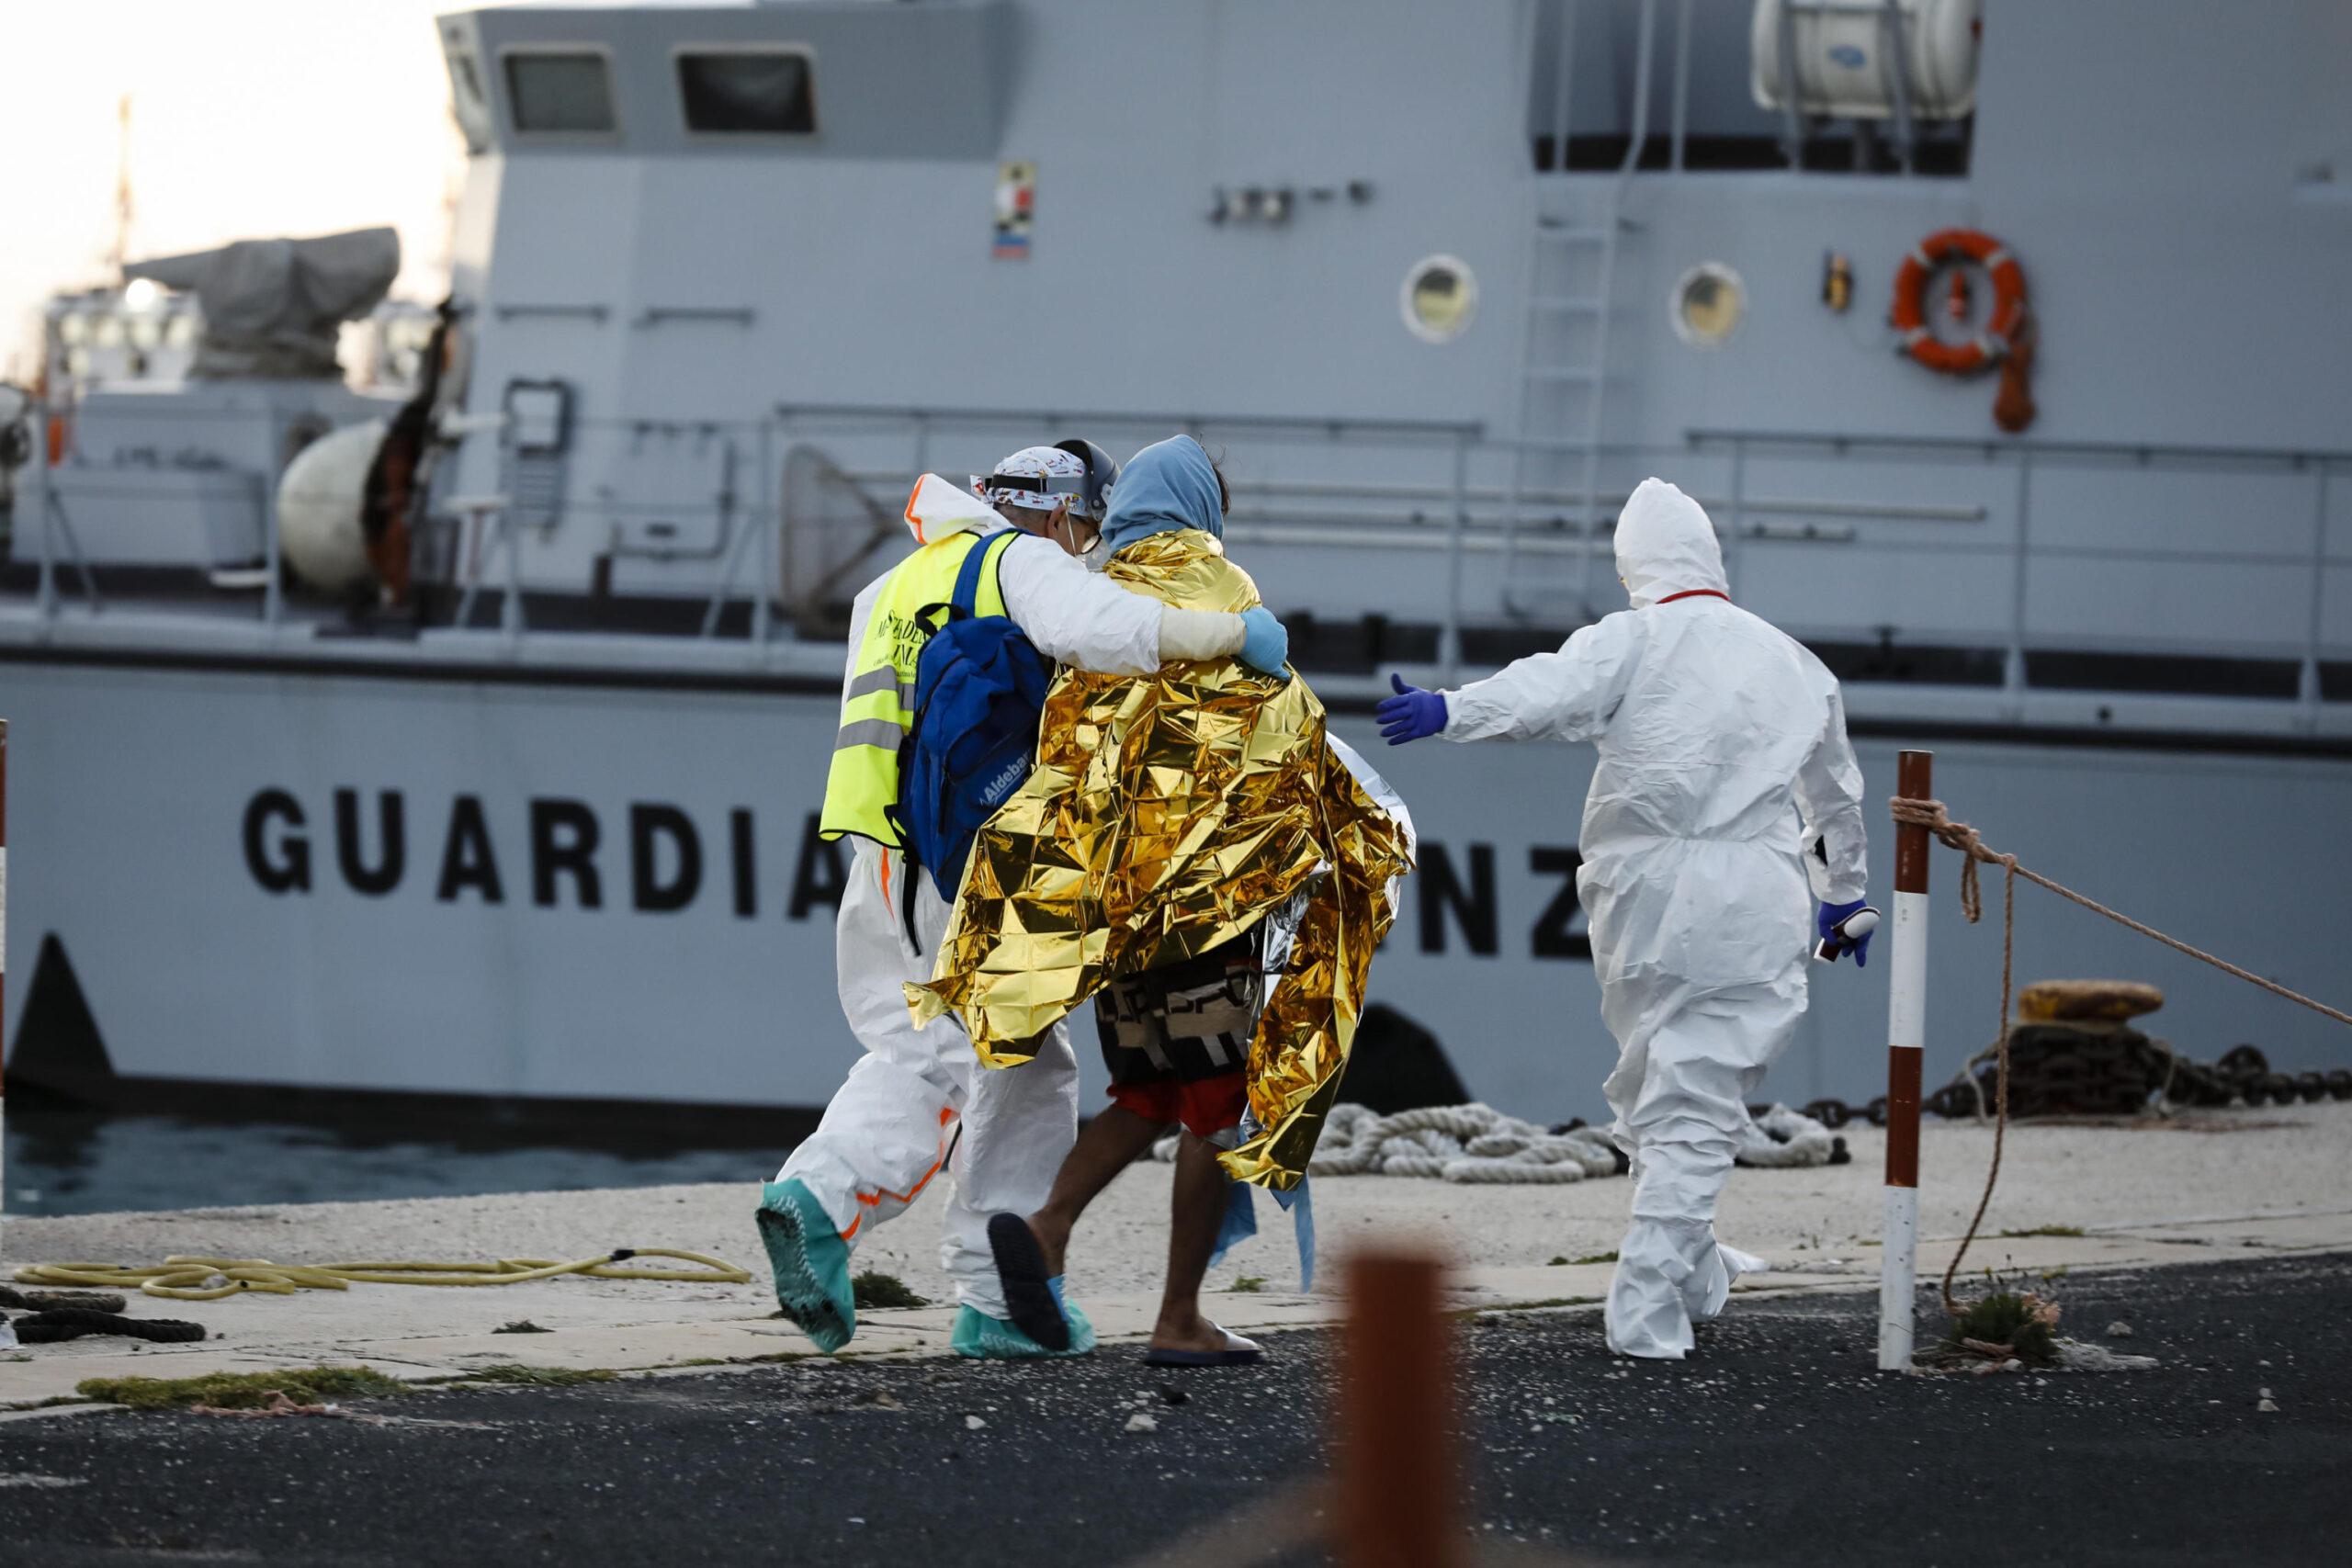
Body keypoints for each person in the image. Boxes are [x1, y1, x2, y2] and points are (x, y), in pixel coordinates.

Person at [760, 441, 1293, 1359]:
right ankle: (837, 1206)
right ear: (1057, 512)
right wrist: (1235, 637)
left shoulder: (895, 584)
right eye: (1081, 527)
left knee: (936, 1047)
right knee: (1011, 1062)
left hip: (882, 858)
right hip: (974, 863)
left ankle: (979, 1286)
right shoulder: (1020, 561)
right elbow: (1111, 630)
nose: (1084, 546)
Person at [907, 435, 1414, 1362]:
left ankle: (1050, 1228)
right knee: (1217, 1108)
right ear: (1203, 512)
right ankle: (1177, 1316)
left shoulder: (1095, 589)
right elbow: (1278, 733)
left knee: (1148, 1092)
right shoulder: (1218, 591)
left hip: (1116, 911)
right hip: (1208, 910)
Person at [1376, 477, 1868, 1360]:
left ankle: (1680, 1279)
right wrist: (1843, 899)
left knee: (1666, 1084)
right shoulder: (1796, 663)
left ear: (1633, 564)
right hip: (1752, 889)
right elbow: (1833, 801)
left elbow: (1546, 692)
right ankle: (1656, 1298)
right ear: (1710, 555)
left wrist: (1448, 710)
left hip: (1639, 895)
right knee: (1692, 1093)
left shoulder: (1634, 639)